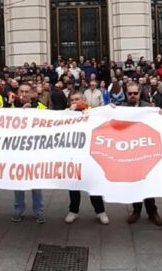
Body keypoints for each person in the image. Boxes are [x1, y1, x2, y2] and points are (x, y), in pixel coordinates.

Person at [64, 91, 109, 225]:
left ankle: (100, 211)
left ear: (83, 100)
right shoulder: (66, 112)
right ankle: (73, 211)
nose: (75, 102)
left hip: (89, 155)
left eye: (77, 99)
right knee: (73, 186)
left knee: (93, 185)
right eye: (72, 100)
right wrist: (70, 114)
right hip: (73, 155)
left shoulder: (91, 112)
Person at [124, 82, 162, 226]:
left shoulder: (148, 107)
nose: (133, 96)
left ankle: (152, 211)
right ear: (126, 94)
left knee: (148, 182)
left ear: (140, 93)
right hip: (128, 152)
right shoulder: (121, 108)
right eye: (130, 93)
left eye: (135, 93)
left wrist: (159, 115)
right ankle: (136, 210)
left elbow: (159, 125)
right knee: (134, 183)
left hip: (146, 151)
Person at [11, 83, 46, 223]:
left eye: (27, 92)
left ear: (32, 93)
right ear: (18, 92)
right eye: (22, 91)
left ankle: (38, 212)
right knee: (17, 183)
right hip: (17, 151)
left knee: (35, 184)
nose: (24, 94)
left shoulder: (40, 107)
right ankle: (18, 210)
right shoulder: (12, 107)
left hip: (34, 152)